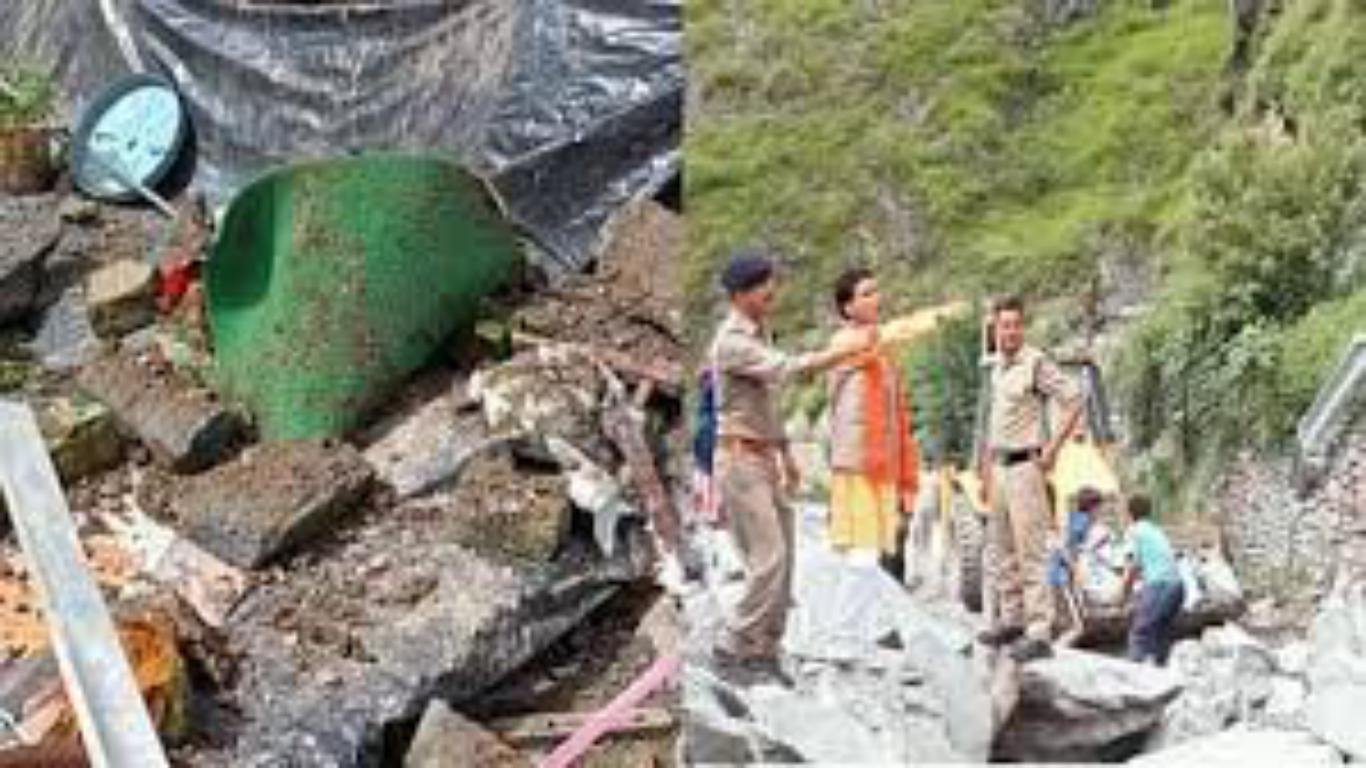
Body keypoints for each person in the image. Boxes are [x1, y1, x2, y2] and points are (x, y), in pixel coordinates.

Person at [708, 247, 877, 683]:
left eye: (771, 283)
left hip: (763, 456)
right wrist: (844, 352)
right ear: (740, 294)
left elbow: (765, 406)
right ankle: (732, 642)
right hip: (740, 461)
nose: (771, 291)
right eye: (762, 285)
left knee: (785, 556)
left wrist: (785, 455)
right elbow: (788, 370)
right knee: (768, 557)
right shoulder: (732, 342)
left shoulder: (760, 333)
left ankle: (765, 649)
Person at [976, 295, 1084, 662]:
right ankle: (1012, 620)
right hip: (999, 467)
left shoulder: (1035, 363)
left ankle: (1039, 631)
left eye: (1016, 325)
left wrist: (1052, 448)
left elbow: (1075, 397)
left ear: (1022, 327)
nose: (1010, 332)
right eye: (1004, 325)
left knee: (1031, 551)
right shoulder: (997, 367)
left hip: (1025, 466)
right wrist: (985, 470)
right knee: (1002, 549)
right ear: (995, 328)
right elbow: (994, 424)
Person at [1120, 494, 1185, 666]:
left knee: (1139, 635)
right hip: (1177, 586)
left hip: (1160, 586)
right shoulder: (1156, 530)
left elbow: (1132, 566)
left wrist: (1123, 593)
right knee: (1160, 634)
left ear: (1129, 513)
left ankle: (1131, 675)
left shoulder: (1134, 531)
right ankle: (1160, 671)